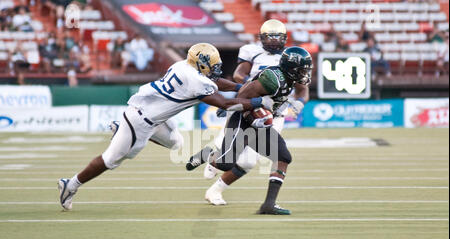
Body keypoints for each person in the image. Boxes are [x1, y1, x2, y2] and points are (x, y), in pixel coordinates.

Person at [57, 43, 275, 210]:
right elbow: (225, 103)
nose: (216, 69)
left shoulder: (183, 65)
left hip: (153, 117)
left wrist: (240, 86)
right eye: (212, 65)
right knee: (111, 160)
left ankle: (120, 129)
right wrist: (258, 101)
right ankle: (71, 184)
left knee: (176, 142)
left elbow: (216, 84)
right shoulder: (196, 80)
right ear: (200, 64)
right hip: (141, 121)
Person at [190, 19, 310, 206]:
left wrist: (299, 103)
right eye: (269, 36)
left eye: (277, 36)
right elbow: (239, 75)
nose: (273, 40)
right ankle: (211, 157)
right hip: (249, 105)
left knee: (248, 161)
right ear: (261, 37)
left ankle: (216, 190)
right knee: (225, 148)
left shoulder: (291, 57)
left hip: (273, 114)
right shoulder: (253, 53)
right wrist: (237, 101)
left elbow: (303, 89)